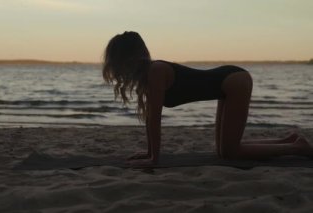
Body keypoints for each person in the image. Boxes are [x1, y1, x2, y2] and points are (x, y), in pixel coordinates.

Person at [102, 31, 312, 167]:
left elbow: (155, 118)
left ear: (125, 58)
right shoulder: (149, 76)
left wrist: (153, 159)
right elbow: (150, 118)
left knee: (231, 153)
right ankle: (289, 140)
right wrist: (148, 153)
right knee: (223, 152)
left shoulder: (156, 71)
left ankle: (297, 148)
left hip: (234, 81)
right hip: (227, 83)